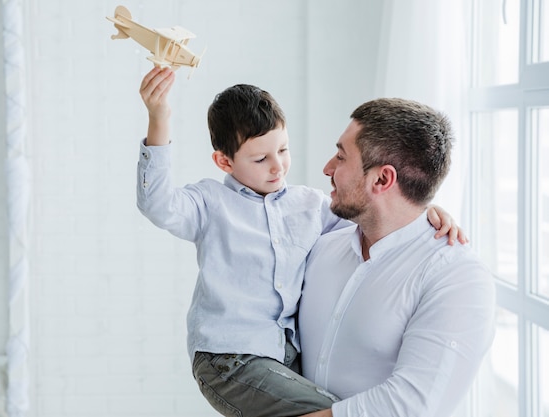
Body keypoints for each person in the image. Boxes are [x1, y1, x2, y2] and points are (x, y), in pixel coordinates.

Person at [136, 67, 465, 417]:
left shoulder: (310, 205)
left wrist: (425, 210)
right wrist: (159, 119)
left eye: (283, 150)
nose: (277, 167)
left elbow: (376, 215)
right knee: (336, 412)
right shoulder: (209, 203)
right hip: (229, 359)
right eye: (261, 159)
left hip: (284, 356)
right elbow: (157, 204)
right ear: (224, 161)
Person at [298, 98, 495, 417]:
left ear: (382, 180)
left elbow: (410, 405)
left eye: (341, 156)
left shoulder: (458, 278)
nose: (327, 168)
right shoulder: (321, 245)